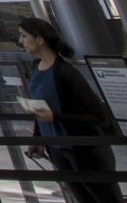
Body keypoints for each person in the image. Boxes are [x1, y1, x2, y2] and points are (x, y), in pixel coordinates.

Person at [18, 16, 120, 203]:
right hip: (57, 147)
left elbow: (99, 117)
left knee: (104, 197)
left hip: (82, 149)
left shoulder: (66, 72)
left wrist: (55, 117)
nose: (21, 41)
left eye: (24, 36)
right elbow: (41, 109)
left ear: (40, 39)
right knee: (82, 197)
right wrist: (37, 138)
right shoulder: (36, 66)